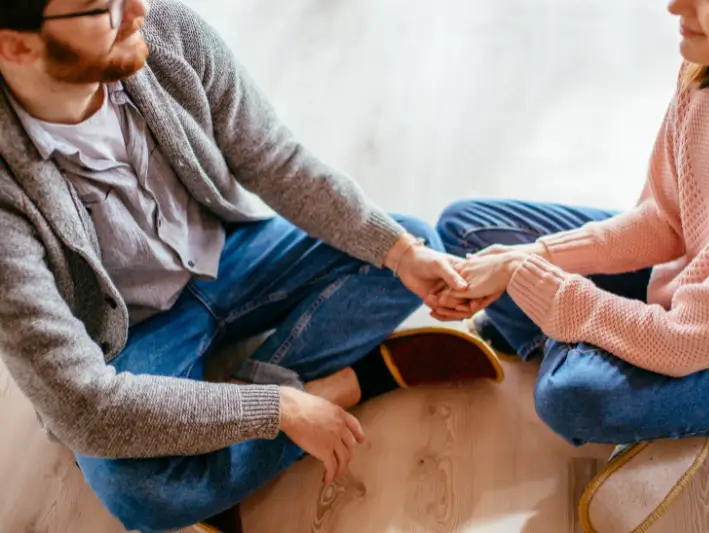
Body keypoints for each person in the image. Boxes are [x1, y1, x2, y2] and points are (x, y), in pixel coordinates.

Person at [0, 0, 504, 532]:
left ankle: (243, 430)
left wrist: (401, 252)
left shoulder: (166, 31)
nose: (138, 10)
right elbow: (83, 406)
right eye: (105, 8)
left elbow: (272, 158)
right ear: (16, 44)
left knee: (406, 243)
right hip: (131, 336)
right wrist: (278, 409)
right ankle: (352, 382)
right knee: (141, 494)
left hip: (231, 253)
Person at [433, 0, 709, 458]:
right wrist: (530, 257)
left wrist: (529, 278)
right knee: (467, 228)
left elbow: (679, 340)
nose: (675, 5)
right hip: (682, 289)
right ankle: (583, 338)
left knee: (572, 395)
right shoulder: (706, 72)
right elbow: (664, 220)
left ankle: (565, 339)